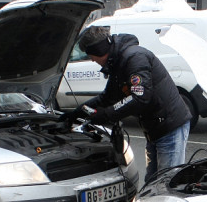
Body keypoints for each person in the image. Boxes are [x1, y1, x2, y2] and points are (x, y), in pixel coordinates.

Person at [74, 25, 191, 183]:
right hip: (154, 128)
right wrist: (77, 112)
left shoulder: (134, 58)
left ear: (100, 49)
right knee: (152, 182)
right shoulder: (117, 62)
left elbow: (140, 97)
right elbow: (107, 97)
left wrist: (107, 114)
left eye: (92, 55)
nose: (92, 60)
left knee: (166, 184)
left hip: (169, 126)